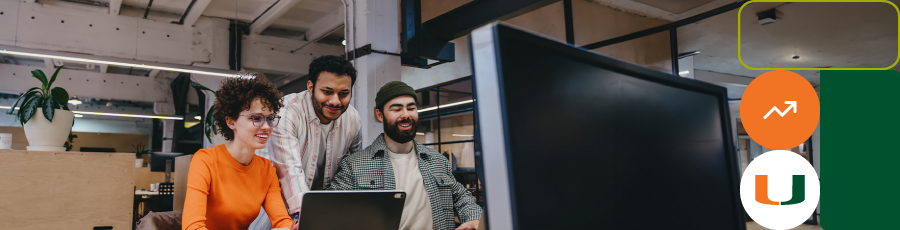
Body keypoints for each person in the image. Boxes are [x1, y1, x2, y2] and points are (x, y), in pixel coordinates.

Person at [328, 81, 483, 230]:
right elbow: (331, 211)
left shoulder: (438, 161)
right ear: (380, 115)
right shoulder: (354, 164)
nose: (406, 115)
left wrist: (474, 218)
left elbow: (462, 197)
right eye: (397, 109)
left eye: (411, 108)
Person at [250, 55, 363, 230]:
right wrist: (305, 215)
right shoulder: (286, 112)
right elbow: (288, 171)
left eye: (344, 94)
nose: (335, 101)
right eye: (327, 91)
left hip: (321, 215)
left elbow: (355, 167)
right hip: (272, 213)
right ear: (310, 87)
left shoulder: (353, 119)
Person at [182, 76, 295, 230]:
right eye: (256, 118)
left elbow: (282, 221)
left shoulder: (267, 170)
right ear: (231, 122)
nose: (266, 127)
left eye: (270, 119)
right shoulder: (206, 160)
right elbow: (192, 227)